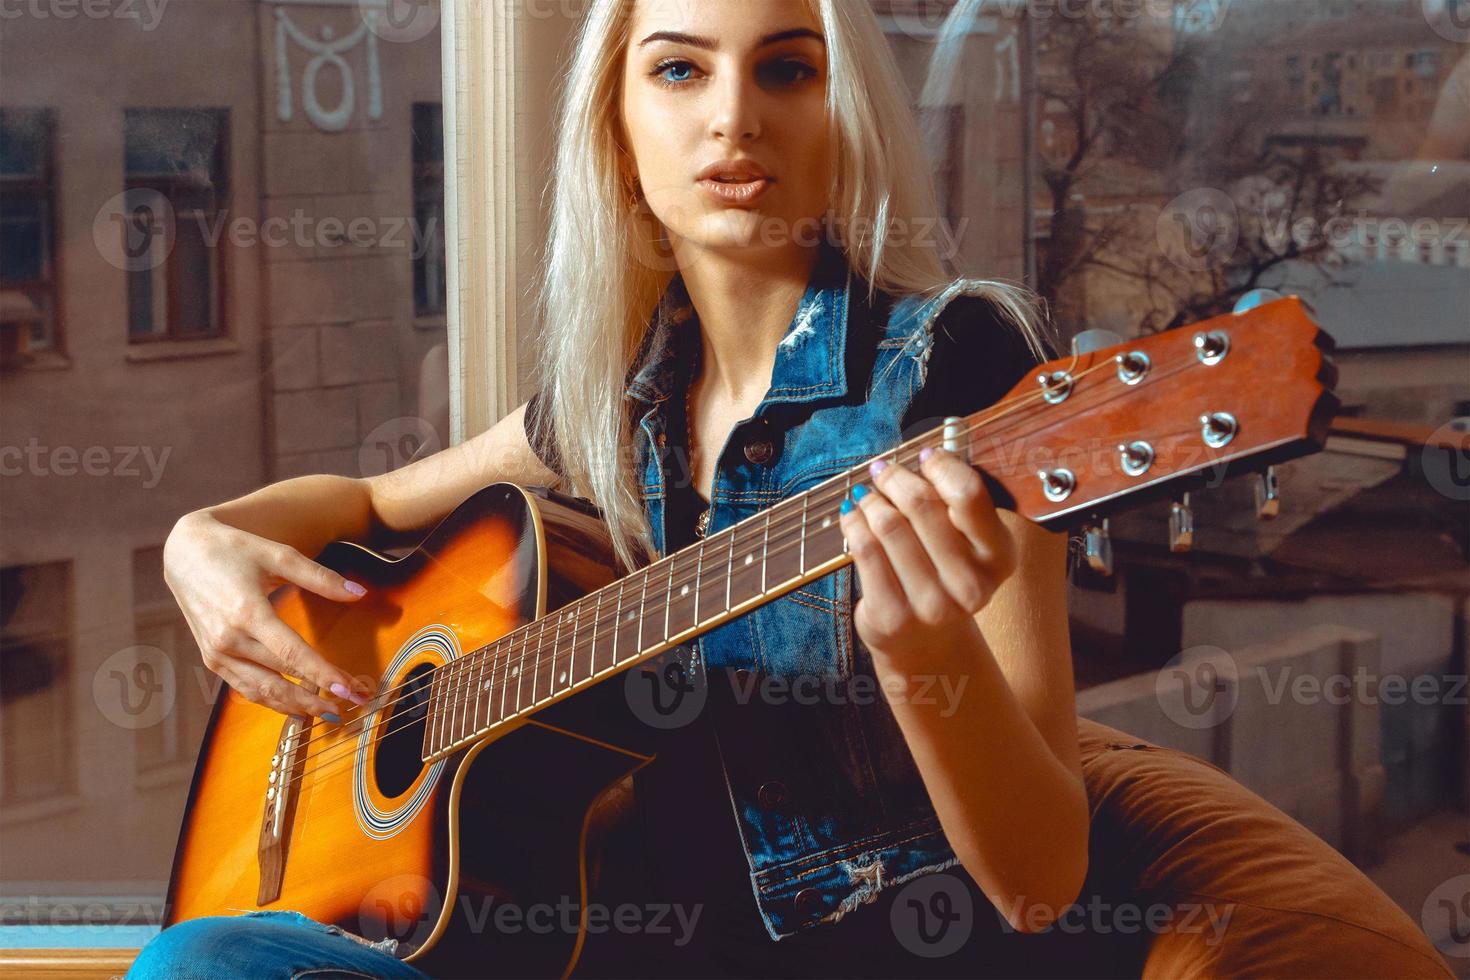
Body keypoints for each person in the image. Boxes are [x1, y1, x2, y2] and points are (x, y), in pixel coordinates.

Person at [128, 0, 1089, 976]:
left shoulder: (961, 367)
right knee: (203, 955)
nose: (734, 117)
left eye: (788, 71)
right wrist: (199, 540)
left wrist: (922, 646)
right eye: (680, 71)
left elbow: (1041, 880)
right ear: (617, 133)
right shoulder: (621, 403)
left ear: (849, 111)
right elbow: (373, 504)